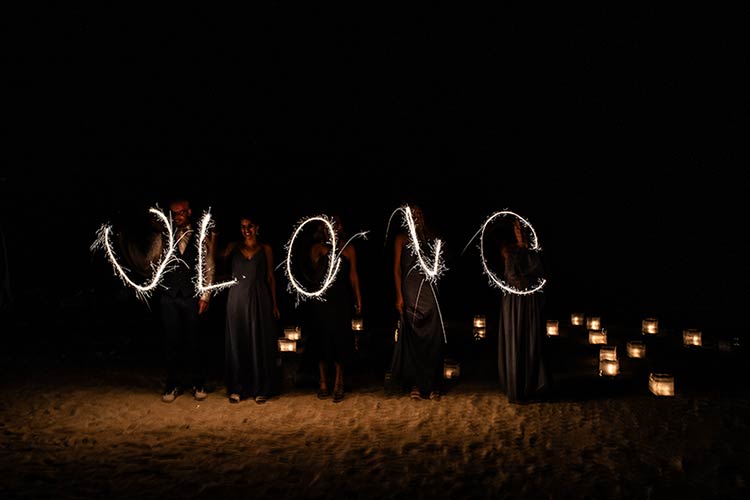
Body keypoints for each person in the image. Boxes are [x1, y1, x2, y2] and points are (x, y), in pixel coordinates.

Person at [148, 198, 215, 403]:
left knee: (195, 341)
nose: (177, 217)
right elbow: (152, 260)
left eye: (181, 213)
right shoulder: (165, 235)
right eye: (174, 213)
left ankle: (198, 382)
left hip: (191, 296)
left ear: (189, 212)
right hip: (169, 296)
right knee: (171, 342)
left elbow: (208, 265)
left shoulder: (200, 235)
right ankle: (173, 384)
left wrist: (205, 295)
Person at [218, 214, 281, 404]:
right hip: (237, 299)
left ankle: (260, 387)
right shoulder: (233, 247)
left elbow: (270, 277)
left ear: (257, 227)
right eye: (242, 226)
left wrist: (275, 304)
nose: (246, 230)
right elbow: (215, 260)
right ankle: (238, 388)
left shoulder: (266, 249)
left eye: (250, 226)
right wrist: (210, 239)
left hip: (259, 298)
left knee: (258, 342)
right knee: (238, 341)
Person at [303, 215, 363, 403]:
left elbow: (353, 276)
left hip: (340, 301)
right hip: (321, 301)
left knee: (340, 341)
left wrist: (358, 298)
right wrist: (326, 249)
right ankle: (322, 382)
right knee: (321, 340)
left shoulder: (349, 249)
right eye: (329, 225)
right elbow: (314, 273)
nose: (334, 227)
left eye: (337, 224)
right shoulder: (317, 249)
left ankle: (339, 382)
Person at [390, 205, 444, 401]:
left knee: (433, 338)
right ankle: (416, 383)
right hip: (410, 292)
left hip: (429, 292)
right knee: (415, 339)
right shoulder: (401, 239)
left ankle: (434, 384)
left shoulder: (431, 238)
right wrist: (399, 296)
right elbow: (396, 269)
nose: (417, 217)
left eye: (420, 213)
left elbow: (436, 267)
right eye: (413, 214)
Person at [497, 217, 551, 403]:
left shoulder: (534, 250)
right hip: (514, 300)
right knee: (515, 338)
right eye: (516, 227)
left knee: (530, 339)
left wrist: (528, 251)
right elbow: (512, 274)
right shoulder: (508, 250)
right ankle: (516, 387)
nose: (519, 230)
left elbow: (541, 276)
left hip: (530, 300)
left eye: (522, 227)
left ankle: (530, 386)